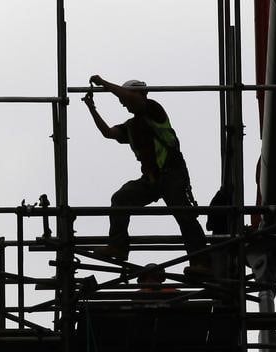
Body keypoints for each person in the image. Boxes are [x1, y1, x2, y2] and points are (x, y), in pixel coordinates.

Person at [83, 75, 210, 276]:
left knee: (184, 216)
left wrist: (105, 84)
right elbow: (108, 133)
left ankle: (202, 262)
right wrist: (92, 108)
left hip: (173, 173)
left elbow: (134, 100)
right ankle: (118, 246)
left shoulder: (153, 110)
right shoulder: (131, 126)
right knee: (121, 198)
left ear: (140, 95)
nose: (124, 104)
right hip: (152, 179)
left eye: (125, 100)